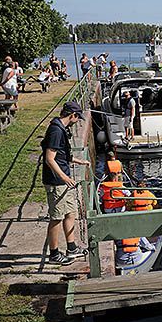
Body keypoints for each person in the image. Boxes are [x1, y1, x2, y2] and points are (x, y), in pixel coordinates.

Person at [41, 101, 90, 265]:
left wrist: (79, 161)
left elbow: (62, 154)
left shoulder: (61, 129)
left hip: (64, 180)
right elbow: (49, 159)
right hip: (56, 182)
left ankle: (72, 247)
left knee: (70, 213)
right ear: (72, 115)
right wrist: (64, 177)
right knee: (56, 217)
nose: (77, 121)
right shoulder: (56, 131)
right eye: (77, 117)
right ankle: (54, 254)